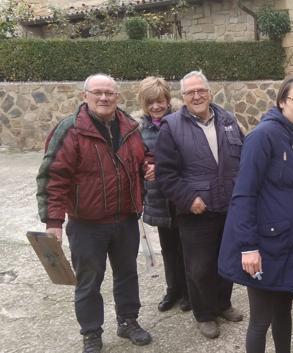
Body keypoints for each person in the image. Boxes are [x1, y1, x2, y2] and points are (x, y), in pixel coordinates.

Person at [36, 73, 152, 353]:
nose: (104, 98)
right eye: (97, 92)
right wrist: (53, 221)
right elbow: (53, 176)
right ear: (84, 96)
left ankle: (127, 322)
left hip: (125, 218)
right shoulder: (70, 129)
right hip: (87, 224)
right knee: (89, 281)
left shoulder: (130, 127)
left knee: (127, 274)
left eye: (109, 93)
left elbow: (144, 155)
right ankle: (91, 332)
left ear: (118, 97)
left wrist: (149, 164)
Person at [218, 78, 293, 353]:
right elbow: (244, 194)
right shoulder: (263, 136)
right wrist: (248, 247)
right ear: (282, 102)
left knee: (284, 313)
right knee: (261, 319)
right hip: (263, 246)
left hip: (289, 244)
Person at [155, 70, 244, 339]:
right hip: (195, 210)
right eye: (190, 92)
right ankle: (204, 313)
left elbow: (242, 158)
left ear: (210, 92)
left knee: (227, 260)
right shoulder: (171, 126)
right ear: (182, 97)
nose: (197, 96)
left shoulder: (228, 120)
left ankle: (223, 304)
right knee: (199, 266)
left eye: (201, 90)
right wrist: (187, 199)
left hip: (228, 206)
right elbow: (165, 174)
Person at [134, 77, 190, 312]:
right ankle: (173, 289)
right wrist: (145, 167)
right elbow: (135, 157)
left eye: (160, 101)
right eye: (150, 103)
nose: (156, 107)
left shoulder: (181, 120)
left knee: (186, 247)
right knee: (168, 248)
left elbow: (190, 154)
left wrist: (163, 167)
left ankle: (189, 291)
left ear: (168, 100)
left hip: (179, 194)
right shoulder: (137, 127)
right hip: (158, 197)